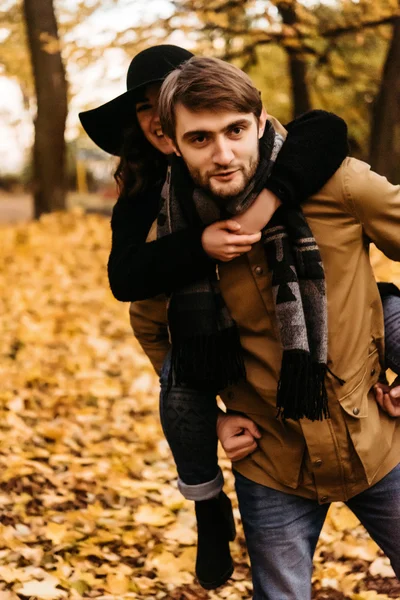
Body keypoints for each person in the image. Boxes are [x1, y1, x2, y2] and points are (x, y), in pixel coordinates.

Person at [79, 45, 354, 589]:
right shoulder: (146, 189)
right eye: (146, 110)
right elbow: (126, 278)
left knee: (389, 310)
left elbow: (325, 129)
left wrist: (265, 204)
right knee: (178, 385)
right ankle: (206, 504)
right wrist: (199, 244)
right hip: (208, 332)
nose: (159, 116)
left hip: (301, 303)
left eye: (168, 100)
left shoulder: (249, 153)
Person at [143, 55, 400, 599]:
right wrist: (211, 422)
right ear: (171, 143)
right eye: (200, 139)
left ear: (261, 122)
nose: (223, 153)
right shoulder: (172, 233)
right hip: (271, 460)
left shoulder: (343, 186)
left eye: (236, 130)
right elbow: (152, 327)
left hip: (380, 438)